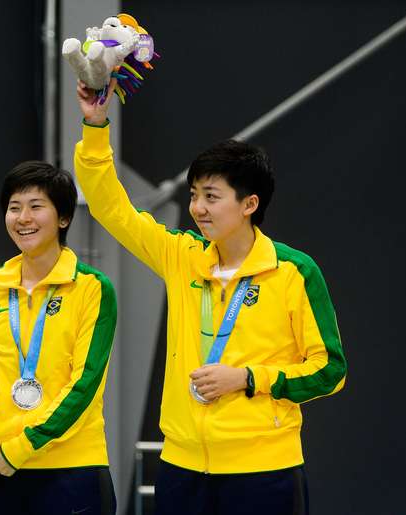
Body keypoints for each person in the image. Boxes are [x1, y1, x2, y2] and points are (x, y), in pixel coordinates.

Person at [72, 80, 347, 515]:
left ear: (249, 203)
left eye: (211, 197)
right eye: (195, 195)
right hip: (181, 469)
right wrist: (94, 123)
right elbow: (111, 208)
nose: (198, 208)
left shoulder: (294, 271)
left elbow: (329, 370)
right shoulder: (182, 256)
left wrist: (249, 379)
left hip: (265, 473)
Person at [0, 161, 118, 515]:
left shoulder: (92, 288)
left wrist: (21, 448)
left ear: (63, 218)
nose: (23, 217)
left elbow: (85, 383)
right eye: (14, 208)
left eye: (36, 206)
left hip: (71, 469)